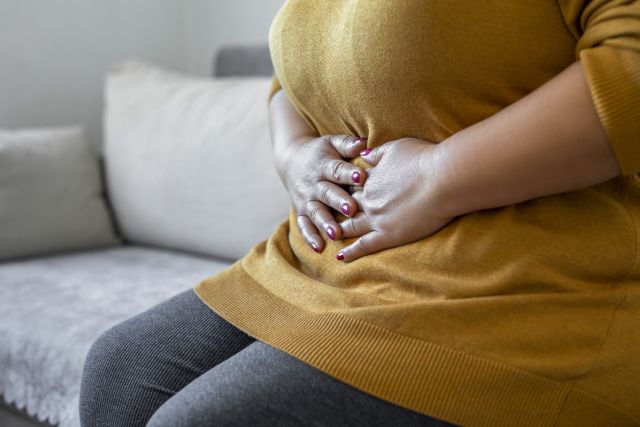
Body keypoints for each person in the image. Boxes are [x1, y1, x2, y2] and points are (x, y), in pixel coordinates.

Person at [79, 1, 640, 426]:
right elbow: (291, 80)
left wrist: (438, 177)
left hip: (518, 286)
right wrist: (292, 153)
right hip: (321, 268)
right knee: (122, 369)